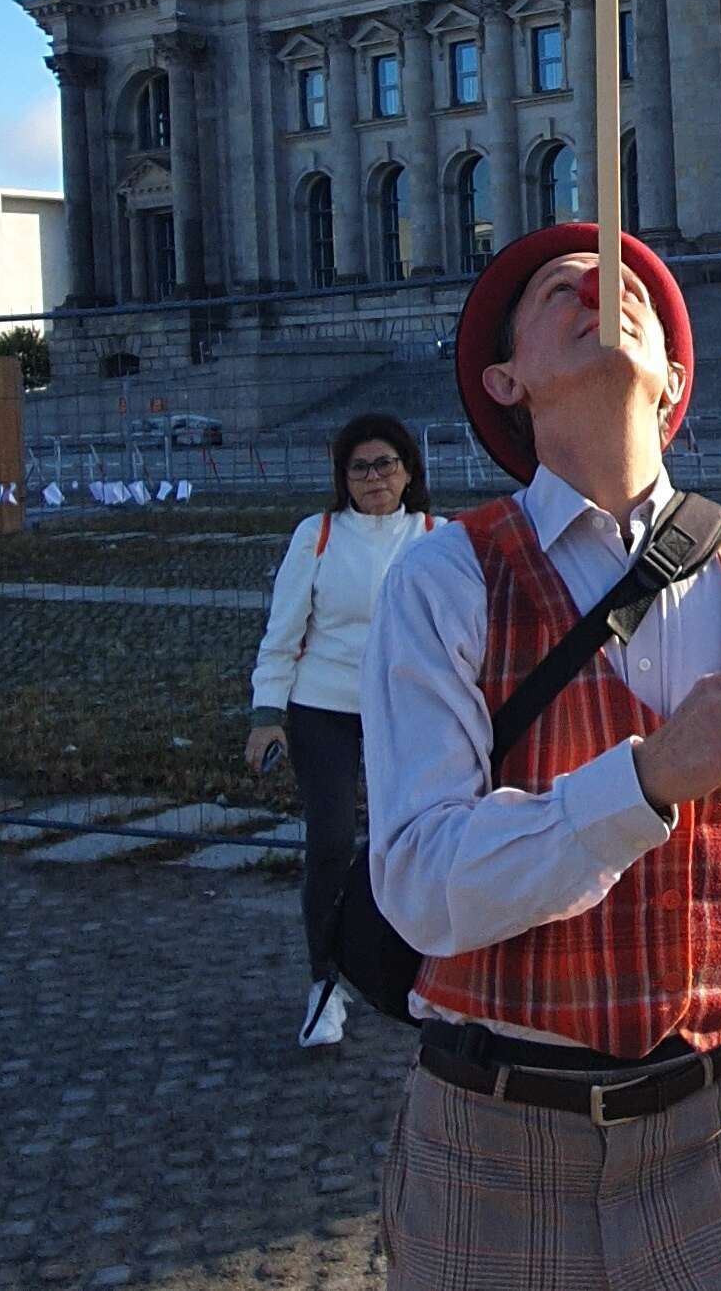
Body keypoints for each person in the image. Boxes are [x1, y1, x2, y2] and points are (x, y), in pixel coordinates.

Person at [361, 221, 721, 1291]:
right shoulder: (441, 582)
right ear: (504, 378)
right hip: (490, 1146)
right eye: (559, 284)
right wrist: (646, 777)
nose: (599, 286)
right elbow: (417, 878)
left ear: (675, 376)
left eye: (626, 284)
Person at [246, 412, 434, 1050]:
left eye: (386, 464)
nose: (375, 477)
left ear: (409, 471)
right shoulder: (318, 536)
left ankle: (416, 971)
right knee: (329, 844)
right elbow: (283, 634)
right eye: (360, 467)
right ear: (343, 479)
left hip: (406, 713)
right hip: (323, 708)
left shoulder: (438, 536)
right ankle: (323, 985)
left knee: (406, 844)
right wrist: (267, 715)